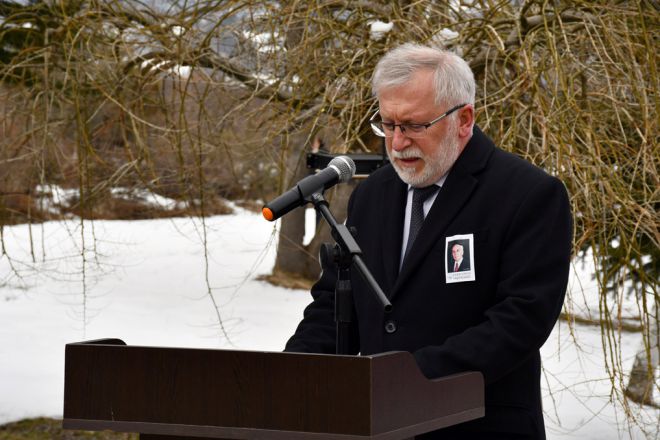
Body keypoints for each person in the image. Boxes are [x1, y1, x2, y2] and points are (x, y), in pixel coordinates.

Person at [285, 43, 572, 440]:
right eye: (388, 125)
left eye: (414, 126)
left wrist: (408, 379)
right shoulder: (371, 195)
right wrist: (291, 375)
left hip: (478, 426)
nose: (397, 143)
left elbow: (520, 321)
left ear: (464, 120)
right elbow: (335, 305)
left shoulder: (528, 195)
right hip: (378, 425)